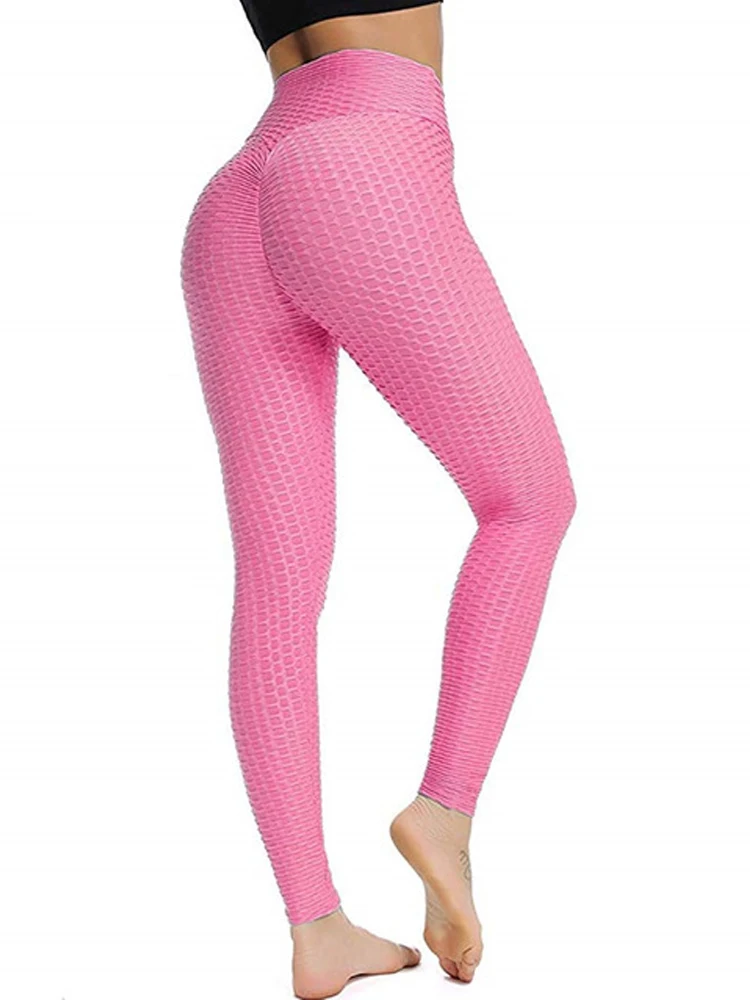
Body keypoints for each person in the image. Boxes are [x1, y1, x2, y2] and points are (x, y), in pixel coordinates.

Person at [179, 2, 577, 997]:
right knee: (529, 500)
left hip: (239, 193)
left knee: (276, 581)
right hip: (361, 159)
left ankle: (316, 925)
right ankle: (444, 806)